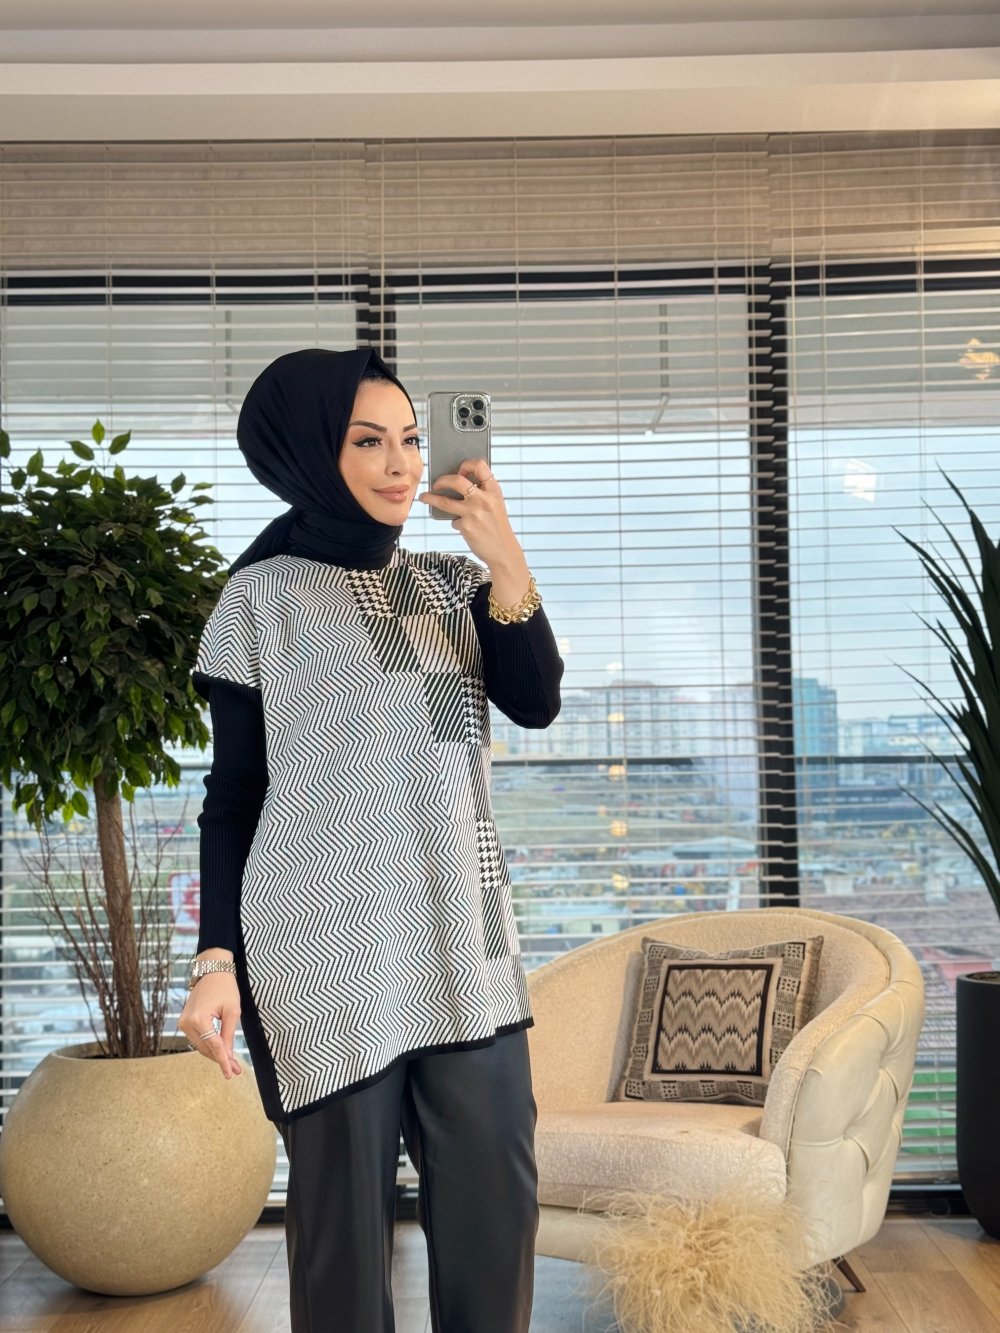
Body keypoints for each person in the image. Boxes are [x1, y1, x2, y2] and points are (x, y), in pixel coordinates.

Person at [177, 347, 564, 1333]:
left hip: (463, 946)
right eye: (367, 441)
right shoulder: (259, 600)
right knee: (342, 1259)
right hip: (323, 957)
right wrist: (215, 961)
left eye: (409, 439)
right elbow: (233, 799)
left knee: (496, 1222)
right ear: (311, 452)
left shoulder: (451, 585)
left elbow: (536, 700)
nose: (399, 464)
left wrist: (505, 557)